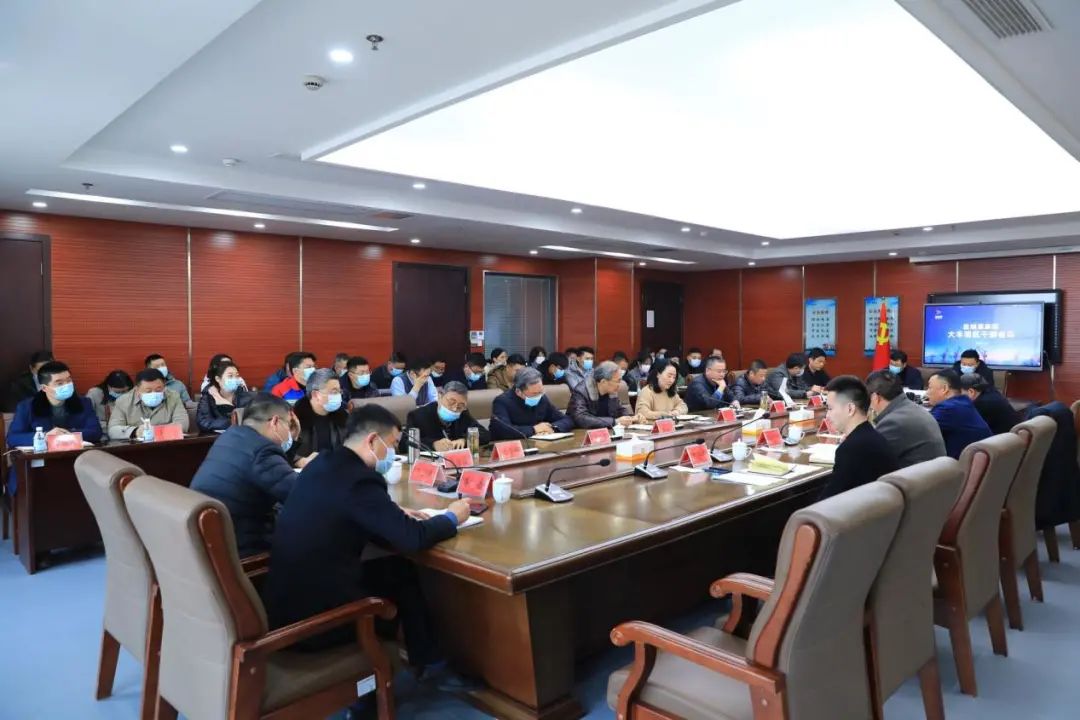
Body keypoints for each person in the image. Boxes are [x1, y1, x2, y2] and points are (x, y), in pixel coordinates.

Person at [264, 405, 470, 672]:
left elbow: (343, 509)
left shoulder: (323, 464)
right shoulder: (360, 479)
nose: (393, 452)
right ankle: (428, 668)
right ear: (372, 440)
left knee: (397, 569)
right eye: (392, 444)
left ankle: (425, 659)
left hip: (284, 606)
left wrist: (389, 513)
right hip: (316, 622)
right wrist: (452, 517)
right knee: (401, 574)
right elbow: (413, 538)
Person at [190, 393, 300, 557]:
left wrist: (292, 442)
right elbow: (301, 496)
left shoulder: (230, 436)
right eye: (289, 425)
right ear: (275, 422)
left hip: (211, 538)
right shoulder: (262, 452)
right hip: (244, 547)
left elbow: (276, 478)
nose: (290, 432)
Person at [6, 361, 103, 495]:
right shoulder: (27, 407)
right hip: (39, 467)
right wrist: (45, 436)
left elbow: (96, 432)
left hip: (76, 461)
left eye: (69, 380)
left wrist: (67, 435)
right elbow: (13, 438)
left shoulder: (83, 403)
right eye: (59, 383)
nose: (67, 385)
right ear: (44, 388)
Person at [818, 376, 899, 500]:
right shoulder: (874, 437)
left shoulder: (852, 448)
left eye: (830, 408)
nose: (827, 415)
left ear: (850, 409)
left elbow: (828, 501)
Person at [865, 370, 946, 468]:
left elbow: (867, 458)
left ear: (875, 397)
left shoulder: (893, 422)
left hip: (915, 476)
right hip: (932, 474)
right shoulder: (912, 408)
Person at [400, 381, 490, 453]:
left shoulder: (463, 413)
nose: (455, 409)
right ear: (440, 397)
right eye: (451, 402)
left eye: (460, 406)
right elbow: (404, 444)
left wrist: (466, 440)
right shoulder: (418, 415)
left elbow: (485, 435)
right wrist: (433, 445)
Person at [490, 368, 574, 439]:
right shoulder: (502, 401)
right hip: (515, 447)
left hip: (541, 444)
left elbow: (567, 420)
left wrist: (552, 428)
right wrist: (534, 429)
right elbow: (502, 430)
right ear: (518, 392)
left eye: (540, 392)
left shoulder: (542, 398)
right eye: (534, 394)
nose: (538, 396)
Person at [108, 368, 190, 439]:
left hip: (167, 444)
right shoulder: (123, 401)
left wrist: (155, 431)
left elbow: (183, 425)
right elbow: (113, 430)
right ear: (137, 390)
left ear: (164, 387)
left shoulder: (173, 397)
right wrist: (136, 431)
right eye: (148, 391)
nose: (153, 393)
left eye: (158, 390)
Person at [927, 370, 992, 459]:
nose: (927, 392)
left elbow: (919, 429)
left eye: (930, 387)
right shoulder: (963, 402)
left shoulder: (948, 409)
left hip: (961, 465)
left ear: (944, 389)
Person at [291, 369, 347, 467]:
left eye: (339, 391)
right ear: (315, 394)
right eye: (334, 392)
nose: (339, 396)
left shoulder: (344, 417)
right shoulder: (294, 419)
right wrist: (300, 461)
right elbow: (283, 451)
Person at [568, 361, 637, 429]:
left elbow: (619, 410)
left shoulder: (612, 392)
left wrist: (630, 418)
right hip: (581, 432)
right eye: (617, 381)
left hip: (606, 431)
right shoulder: (581, 391)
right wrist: (614, 421)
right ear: (603, 382)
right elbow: (581, 418)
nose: (619, 385)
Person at [196, 360, 253, 433]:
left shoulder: (245, 396)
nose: (235, 379)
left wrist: (226, 404)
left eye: (237, 376)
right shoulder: (208, 396)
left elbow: (248, 422)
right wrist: (230, 422)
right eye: (230, 376)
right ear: (218, 379)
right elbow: (203, 422)